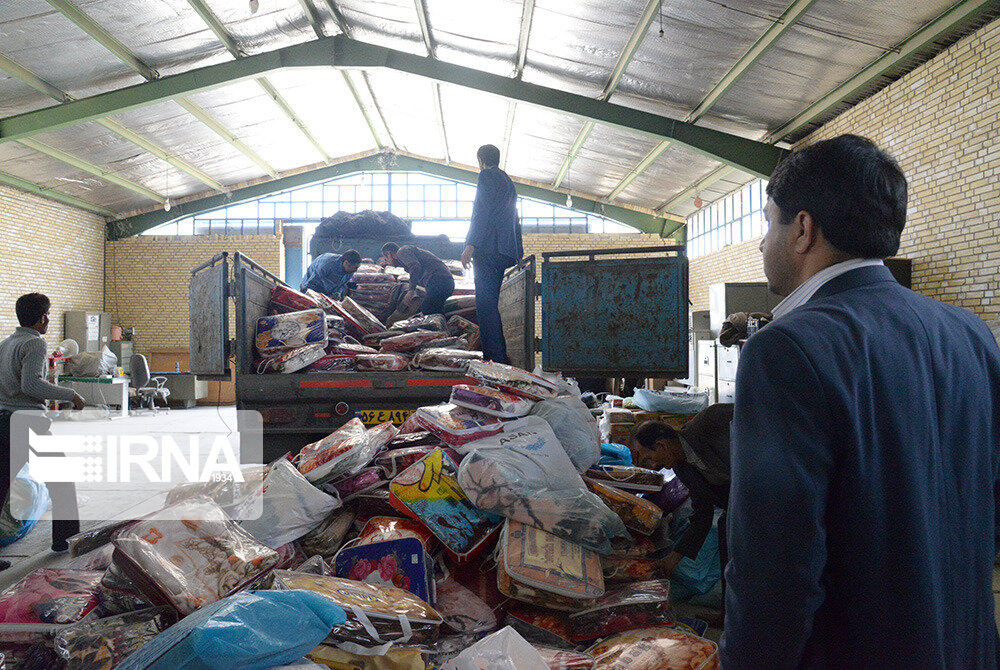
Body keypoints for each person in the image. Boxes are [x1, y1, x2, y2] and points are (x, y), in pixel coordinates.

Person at [722, 134, 1000, 667]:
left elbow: (775, 572)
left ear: (803, 229)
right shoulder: (971, 333)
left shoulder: (786, 350)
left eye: (767, 221)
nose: (761, 244)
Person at [0, 293, 85, 552]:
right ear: (42, 318)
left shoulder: (6, 343)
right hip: (27, 423)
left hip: (4, 421)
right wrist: (72, 395)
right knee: (61, 482)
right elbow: (32, 384)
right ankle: (66, 540)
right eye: (47, 314)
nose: (48, 320)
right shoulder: (35, 343)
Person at [631, 404, 732, 597]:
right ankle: (728, 617)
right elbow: (702, 515)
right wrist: (673, 558)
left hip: (770, 488)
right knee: (725, 529)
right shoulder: (682, 467)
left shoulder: (710, 422)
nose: (653, 465)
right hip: (739, 506)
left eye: (650, 458)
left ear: (661, 445)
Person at [462, 144, 523, 364]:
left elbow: (481, 211)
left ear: (480, 160)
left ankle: (495, 357)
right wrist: (518, 251)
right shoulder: (508, 181)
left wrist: (470, 245)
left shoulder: (486, 176)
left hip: (488, 249)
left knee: (485, 305)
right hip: (504, 251)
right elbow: (515, 217)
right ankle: (498, 354)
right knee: (491, 304)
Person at [381, 242, 455, 316]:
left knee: (426, 310)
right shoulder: (409, 254)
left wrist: (411, 291)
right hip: (445, 282)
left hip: (438, 281)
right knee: (435, 312)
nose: (388, 263)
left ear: (389, 254)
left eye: (386, 259)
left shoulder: (402, 251)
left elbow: (415, 266)